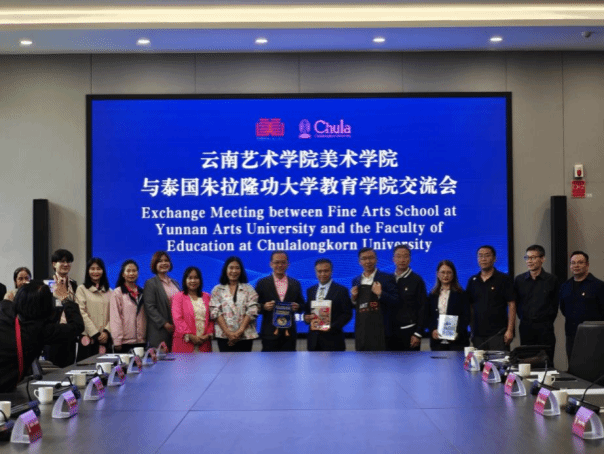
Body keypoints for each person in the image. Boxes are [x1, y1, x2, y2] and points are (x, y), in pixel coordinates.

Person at [0, 281, 84, 392]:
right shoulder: (40, 330)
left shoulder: (5, 313)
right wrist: (66, 300)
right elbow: (76, 327)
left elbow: (6, 305)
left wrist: (7, 299)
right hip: (5, 390)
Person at [514, 245, 559, 365]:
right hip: (526, 327)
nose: (529, 261)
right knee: (526, 363)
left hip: (545, 328)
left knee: (546, 362)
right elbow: (517, 304)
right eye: (527, 258)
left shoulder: (552, 280)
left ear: (542, 259)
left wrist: (546, 320)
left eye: (533, 258)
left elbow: (555, 305)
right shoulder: (519, 280)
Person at [466, 245, 516, 351]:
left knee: (500, 361)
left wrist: (510, 330)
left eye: (487, 255)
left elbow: (511, 305)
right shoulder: (473, 281)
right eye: (480, 256)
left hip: (499, 334)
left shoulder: (504, 279)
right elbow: (469, 306)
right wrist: (471, 329)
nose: (483, 259)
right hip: (478, 335)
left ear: (494, 259)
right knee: (479, 362)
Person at [255, 251, 305, 352]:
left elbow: (302, 305)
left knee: (290, 361)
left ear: (288, 264)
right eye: (277, 262)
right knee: (268, 361)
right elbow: (254, 306)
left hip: (289, 334)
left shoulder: (295, 283)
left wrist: (298, 307)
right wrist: (264, 307)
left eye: (283, 262)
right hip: (269, 333)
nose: (280, 265)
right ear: (271, 264)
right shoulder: (262, 283)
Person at [559, 251, 604, 360]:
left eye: (580, 262)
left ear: (587, 265)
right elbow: (563, 309)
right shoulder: (565, 286)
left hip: (593, 336)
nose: (576, 266)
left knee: (592, 366)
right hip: (571, 334)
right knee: (573, 365)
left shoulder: (598, 286)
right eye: (573, 263)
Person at [351, 247, 398, 351]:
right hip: (362, 332)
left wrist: (380, 294)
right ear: (359, 262)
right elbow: (358, 306)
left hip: (381, 331)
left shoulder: (387, 278)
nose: (368, 261)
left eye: (371, 258)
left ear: (376, 259)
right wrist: (354, 299)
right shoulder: (356, 281)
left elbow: (395, 301)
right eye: (364, 258)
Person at [210, 256, 259, 352]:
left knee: (245, 362)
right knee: (226, 362)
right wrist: (228, 333)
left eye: (237, 268)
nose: (234, 271)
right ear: (226, 270)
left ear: (241, 271)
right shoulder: (217, 289)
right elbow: (215, 312)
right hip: (224, 336)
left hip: (246, 336)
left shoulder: (249, 289)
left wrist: (239, 332)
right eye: (231, 268)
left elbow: (252, 310)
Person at [304, 258, 353, 351]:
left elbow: (347, 314)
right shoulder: (310, 290)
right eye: (319, 271)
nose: (323, 274)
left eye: (326, 271)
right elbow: (307, 312)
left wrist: (332, 327)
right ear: (315, 272)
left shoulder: (341, 290)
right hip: (313, 341)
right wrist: (306, 318)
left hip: (334, 340)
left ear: (331, 271)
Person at [45, 248, 79, 367]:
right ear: (54, 264)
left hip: (70, 331)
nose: (66, 264)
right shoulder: (47, 284)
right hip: (54, 332)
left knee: (69, 367)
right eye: (62, 261)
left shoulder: (73, 284)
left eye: (68, 261)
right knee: (52, 367)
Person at [427, 260, 470, 351]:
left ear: (453, 274)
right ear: (438, 274)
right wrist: (433, 329)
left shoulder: (461, 294)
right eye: (443, 272)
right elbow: (428, 316)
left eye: (449, 272)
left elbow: (466, 317)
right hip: (437, 342)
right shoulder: (432, 295)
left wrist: (456, 332)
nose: (445, 275)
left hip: (457, 342)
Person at [391, 245, 427, 351]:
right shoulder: (388, 279)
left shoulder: (417, 280)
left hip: (410, 333)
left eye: (405, 256)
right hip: (390, 334)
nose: (402, 260)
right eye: (398, 256)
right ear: (393, 259)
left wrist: (418, 333)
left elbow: (423, 307)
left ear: (410, 259)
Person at [75, 257, 113, 359]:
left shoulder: (110, 291)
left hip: (105, 339)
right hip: (88, 338)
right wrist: (95, 334)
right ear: (88, 271)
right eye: (92, 269)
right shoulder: (81, 289)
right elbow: (81, 313)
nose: (95, 272)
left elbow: (114, 315)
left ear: (103, 271)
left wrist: (106, 332)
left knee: (106, 367)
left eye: (98, 269)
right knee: (86, 366)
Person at [143, 250, 180, 350]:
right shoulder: (150, 283)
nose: (164, 263)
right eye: (160, 261)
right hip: (160, 331)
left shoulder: (175, 283)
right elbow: (150, 308)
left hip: (176, 331)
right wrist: (165, 324)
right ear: (155, 264)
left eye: (166, 260)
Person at [172, 266, 214, 353]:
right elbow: (177, 319)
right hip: (184, 343)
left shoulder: (207, 296)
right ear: (185, 280)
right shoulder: (178, 297)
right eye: (190, 278)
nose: (193, 281)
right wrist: (191, 336)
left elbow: (211, 319)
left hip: (204, 343)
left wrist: (207, 335)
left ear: (200, 280)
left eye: (196, 278)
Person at [110, 259, 147, 352]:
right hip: (124, 343)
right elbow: (115, 318)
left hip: (141, 341)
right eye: (128, 271)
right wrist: (117, 341)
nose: (131, 273)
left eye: (134, 271)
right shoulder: (117, 293)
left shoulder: (143, 292)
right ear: (123, 274)